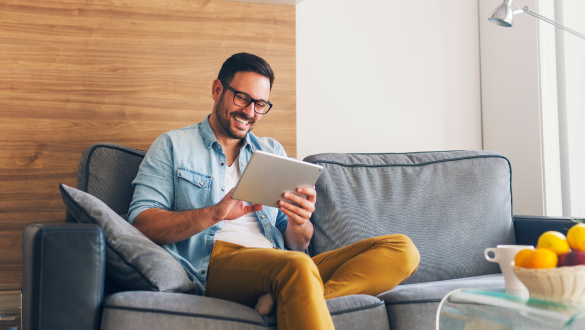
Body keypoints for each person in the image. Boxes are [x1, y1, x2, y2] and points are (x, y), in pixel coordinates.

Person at [128, 52, 420, 330]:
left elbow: (297, 244)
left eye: (260, 104)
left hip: (280, 260)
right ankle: (294, 290)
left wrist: (299, 221)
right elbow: (141, 223)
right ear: (218, 90)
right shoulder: (172, 146)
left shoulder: (271, 151)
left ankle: (292, 296)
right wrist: (214, 214)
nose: (250, 112)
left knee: (401, 250)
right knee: (295, 267)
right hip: (215, 262)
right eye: (242, 97)